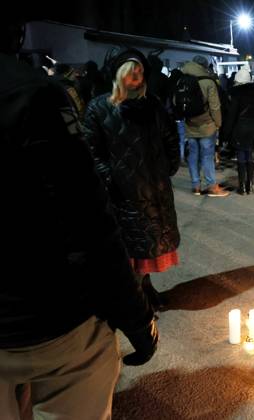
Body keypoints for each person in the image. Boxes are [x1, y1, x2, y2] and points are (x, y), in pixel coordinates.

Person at [0, 21, 157, 420]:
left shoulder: (147, 106)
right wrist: (135, 319)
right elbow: (89, 222)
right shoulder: (33, 95)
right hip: (51, 321)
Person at [82, 49, 181, 311]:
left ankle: (145, 289)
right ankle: (134, 302)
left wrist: (168, 167)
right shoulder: (99, 107)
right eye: (130, 71)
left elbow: (170, 138)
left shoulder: (153, 105)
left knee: (148, 247)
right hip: (122, 193)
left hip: (155, 190)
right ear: (118, 75)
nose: (135, 76)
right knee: (129, 250)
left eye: (139, 71)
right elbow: (91, 151)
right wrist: (111, 178)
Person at [181, 55, 228, 196]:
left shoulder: (183, 78)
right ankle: (212, 186)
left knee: (193, 154)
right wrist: (218, 123)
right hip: (207, 125)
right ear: (205, 66)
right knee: (207, 156)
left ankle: (195, 185)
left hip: (189, 123)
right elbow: (215, 106)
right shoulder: (208, 82)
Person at [224, 67, 254, 195]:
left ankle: (242, 186)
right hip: (253, 127)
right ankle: (249, 185)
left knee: (241, 156)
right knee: (249, 155)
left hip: (239, 127)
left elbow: (231, 116)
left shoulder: (236, 94)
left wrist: (226, 133)